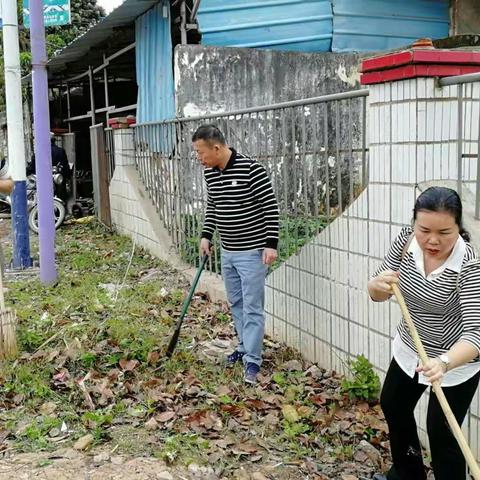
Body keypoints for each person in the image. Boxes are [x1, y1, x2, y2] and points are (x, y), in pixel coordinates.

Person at [367, 186, 480, 480]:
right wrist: (374, 287)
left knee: (442, 435)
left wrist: (443, 362)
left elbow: (475, 335)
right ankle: (407, 473)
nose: (432, 240)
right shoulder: (405, 242)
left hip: (454, 363)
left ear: (459, 228)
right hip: (411, 348)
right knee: (394, 404)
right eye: (424, 229)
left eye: (444, 232)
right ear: (414, 223)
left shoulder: (469, 266)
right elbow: (380, 288)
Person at [193, 124, 279, 385]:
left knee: (253, 307)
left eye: (200, 152)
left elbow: (271, 208)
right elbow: (213, 206)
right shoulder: (210, 174)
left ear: (217, 148)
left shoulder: (252, 170)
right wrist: (206, 235)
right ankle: (244, 346)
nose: (198, 158)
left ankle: (252, 361)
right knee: (237, 303)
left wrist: (271, 244)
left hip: (252, 253)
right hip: (228, 251)